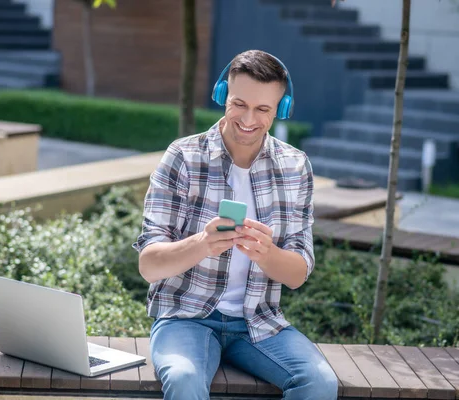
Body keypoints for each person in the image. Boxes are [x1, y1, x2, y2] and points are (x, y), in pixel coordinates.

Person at [132, 49, 338, 400]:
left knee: (320, 384)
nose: (248, 118)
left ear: (281, 110)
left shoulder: (295, 166)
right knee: (183, 378)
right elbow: (149, 265)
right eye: (239, 103)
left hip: (260, 322)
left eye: (263, 109)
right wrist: (202, 244)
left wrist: (267, 253)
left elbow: (297, 274)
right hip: (185, 317)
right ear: (222, 95)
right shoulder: (183, 157)